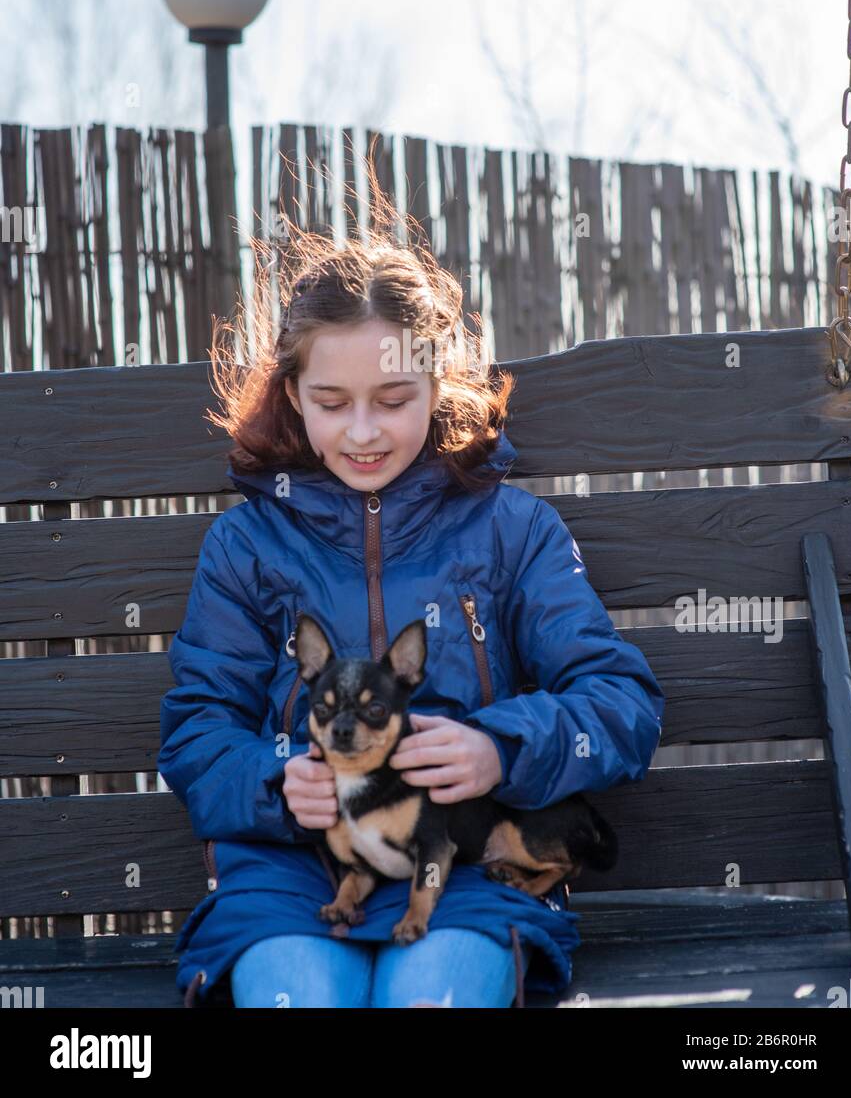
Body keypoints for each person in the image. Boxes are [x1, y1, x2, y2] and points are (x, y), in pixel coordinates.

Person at [157, 164, 665, 1008]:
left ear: (437, 384)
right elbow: (195, 731)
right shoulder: (247, 543)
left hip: (463, 866)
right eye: (332, 400)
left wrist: (499, 747)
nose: (363, 431)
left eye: (394, 398)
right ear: (293, 395)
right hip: (290, 876)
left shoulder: (510, 531)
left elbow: (621, 702)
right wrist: (274, 780)